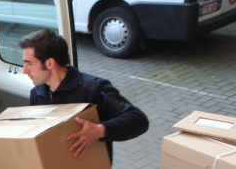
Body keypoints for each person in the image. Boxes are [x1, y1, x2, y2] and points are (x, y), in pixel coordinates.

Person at [19, 29, 149, 161]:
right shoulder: (37, 93)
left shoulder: (94, 88)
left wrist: (99, 130)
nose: (24, 70)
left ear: (50, 63)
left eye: (29, 63)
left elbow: (138, 120)